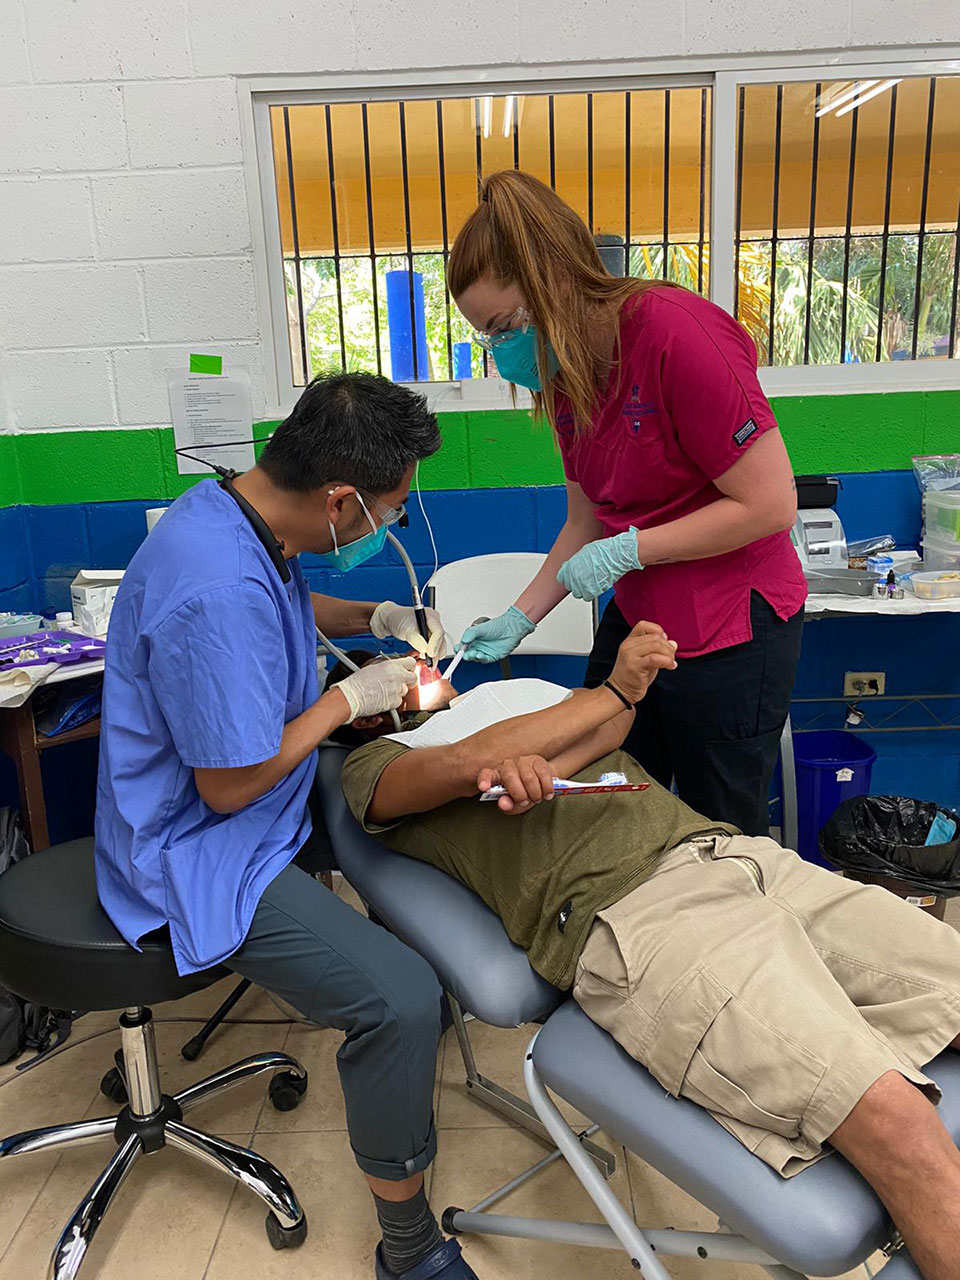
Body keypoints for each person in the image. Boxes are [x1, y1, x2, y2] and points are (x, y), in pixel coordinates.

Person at [332, 630, 960, 1280]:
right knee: (898, 1122)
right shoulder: (375, 763)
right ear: (369, 708)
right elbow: (467, 761)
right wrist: (606, 693)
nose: (419, 661)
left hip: (735, 856)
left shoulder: (510, 700)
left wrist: (574, 730)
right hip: (640, 917)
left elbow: (609, 729)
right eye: (394, 666)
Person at [95, 372, 479, 1280]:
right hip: (195, 846)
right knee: (398, 996)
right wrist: (348, 697)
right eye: (390, 510)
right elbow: (228, 789)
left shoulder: (237, 511)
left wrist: (375, 618)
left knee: (422, 797)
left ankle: (417, 1007)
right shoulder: (214, 586)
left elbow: (284, 605)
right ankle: (409, 1248)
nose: (393, 525)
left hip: (264, 795)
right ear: (340, 500)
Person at [447, 170, 807, 836]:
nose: (500, 354)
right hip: (642, 618)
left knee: (715, 828)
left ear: (555, 281)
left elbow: (770, 504)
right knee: (604, 796)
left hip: (731, 622)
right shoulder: (565, 371)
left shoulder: (676, 334)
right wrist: (521, 616)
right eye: (486, 339)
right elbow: (585, 521)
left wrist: (631, 548)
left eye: (503, 328)